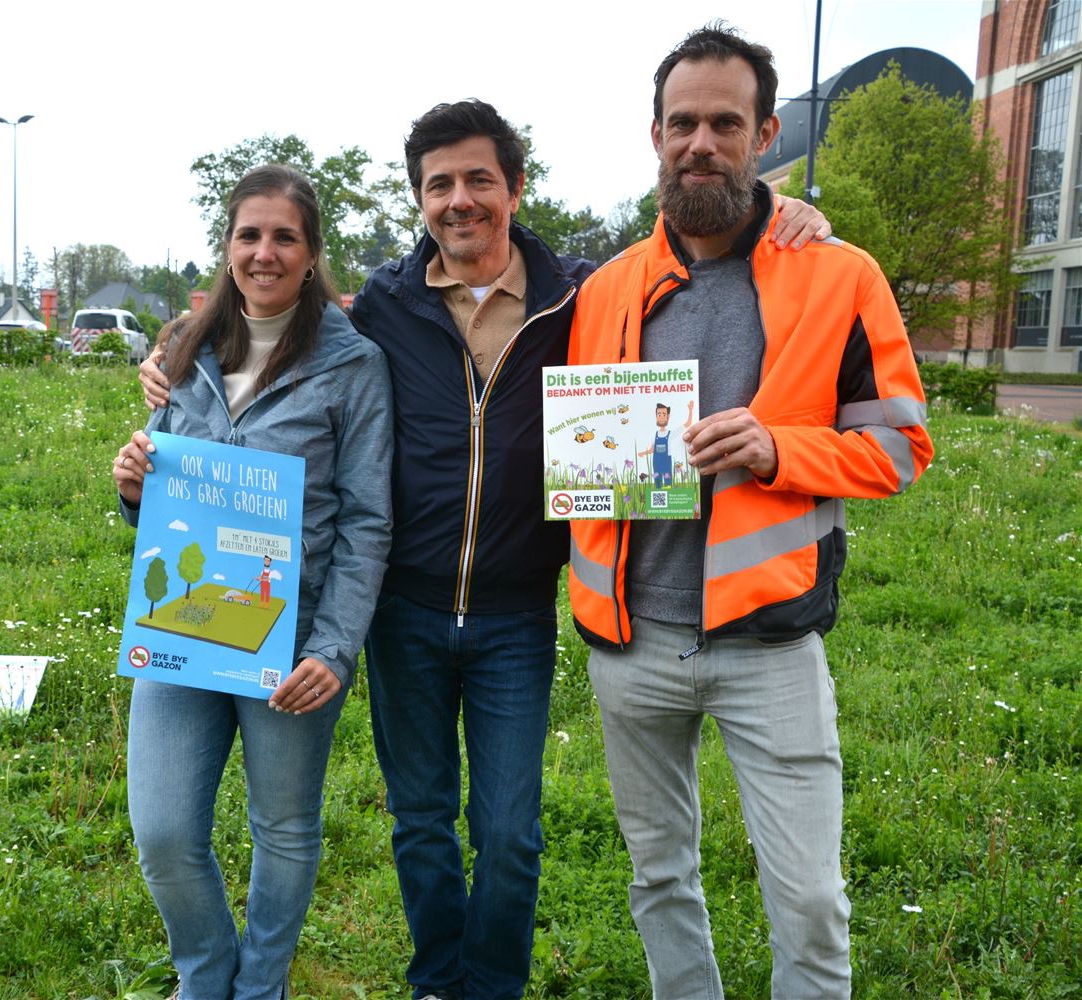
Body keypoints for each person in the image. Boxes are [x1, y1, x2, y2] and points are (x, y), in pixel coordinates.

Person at [143, 102, 827, 1000]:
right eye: (440, 185)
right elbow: (280, 331)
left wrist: (785, 214)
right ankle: (437, 980)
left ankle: (493, 984)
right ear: (419, 199)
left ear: (516, 187)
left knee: (508, 831)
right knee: (421, 820)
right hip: (405, 611)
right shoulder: (385, 307)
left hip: (514, 613)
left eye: (478, 180)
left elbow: (686, 252)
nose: (459, 200)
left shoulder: (581, 296)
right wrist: (176, 353)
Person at [567, 24, 933, 1000]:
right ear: (655, 135)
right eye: (682, 123)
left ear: (765, 134)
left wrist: (782, 450)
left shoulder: (841, 276)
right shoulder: (603, 289)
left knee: (809, 900)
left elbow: (902, 449)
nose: (701, 142)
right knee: (659, 878)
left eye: (724, 124)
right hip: (631, 644)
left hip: (770, 642)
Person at [112, 164, 392, 1000]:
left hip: (291, 641)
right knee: (163, 832)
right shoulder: (185, 350)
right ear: (228, 245)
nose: (265, 253)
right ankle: (206, 977)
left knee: (283, 826)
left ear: (311, 254)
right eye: (249, 235)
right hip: (185, 625)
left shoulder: (354, 365)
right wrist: (132, 487)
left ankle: (260, 986)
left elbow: (367, 521)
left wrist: (333, 650)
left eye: (284, 237)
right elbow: (161, 486)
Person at [640, 400, 695, 487]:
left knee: (668, 481)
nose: (661, 417)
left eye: (664, 415)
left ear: (668, 416)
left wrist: (690, 410)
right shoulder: (655, 435)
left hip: (666, 462)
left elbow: (688, 423)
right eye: (659, 415)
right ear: (656, 416)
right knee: (657, 482)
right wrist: (643, 453)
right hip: (656, 463)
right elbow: (652, 450)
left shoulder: (670, 434)